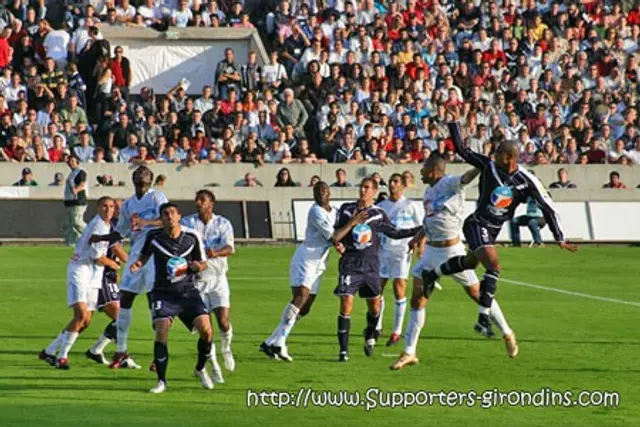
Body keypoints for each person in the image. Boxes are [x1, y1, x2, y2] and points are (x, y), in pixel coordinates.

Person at [421, 108, 577, 341]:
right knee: (493, 266)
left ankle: (433, 274)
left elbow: (547, 205)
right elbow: (463, 150)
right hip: (476, 224)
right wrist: (454, 122)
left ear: (511, 157)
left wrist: (559, 236)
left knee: (469, 262)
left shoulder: (527, 180)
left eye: (500, 154)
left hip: (492, 231)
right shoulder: (488, 166)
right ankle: (483, 319)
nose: (494, 156)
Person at [390, 157, 516, 370]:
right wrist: (418, 237)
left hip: (452, 251)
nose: (420, 171)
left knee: (477, 294)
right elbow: (431, 220)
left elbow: (465, 178)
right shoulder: (429, 192)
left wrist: (482, 165)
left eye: (423, 167)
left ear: (433, 169)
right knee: (418, 299)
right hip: (431, 251)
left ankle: (507, 332)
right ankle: (409, 351)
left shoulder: (448, 182)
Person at [332, 177, 422, 362]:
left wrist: (422, 229)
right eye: (361, 186)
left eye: (367, 188)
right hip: (350, 263)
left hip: (372, 266)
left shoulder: (378, 213)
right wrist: (352, 223)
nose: (363, 190)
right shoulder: (346, 210)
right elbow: (336, 236)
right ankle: (343, 351)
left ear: (374, 191)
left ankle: (370, 335)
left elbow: (395, 233)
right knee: (346, 305)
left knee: (374, 308)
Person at [131, 202, 212, 394]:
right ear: (161, 219)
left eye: (172, 213)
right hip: (163, 292)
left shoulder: (192, 236)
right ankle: (161, 381)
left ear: (178, 216)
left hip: (188, 291)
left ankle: (200, 368)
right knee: (162, 329)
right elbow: (144, 256)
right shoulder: (153, 236)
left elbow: (203, 263)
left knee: (206, 330)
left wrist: (197, 266)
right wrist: (137, 264)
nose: (169, 217)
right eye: (165, 214)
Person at [260, 182, 339, 361]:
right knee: (299, 298)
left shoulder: (333, 212)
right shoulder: (315, 211)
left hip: (319, 262)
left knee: (305, 307)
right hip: (306, 259)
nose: (321, 194)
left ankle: (270, 341)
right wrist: (353, 222)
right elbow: (333, 236)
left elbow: (336, 236)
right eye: (317, 191)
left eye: (323, 191)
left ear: (329, 193)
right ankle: (280, 343)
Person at [39, 197, 120, 369]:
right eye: (104, 206)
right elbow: (97, 257)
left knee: (86, 321)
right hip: (80, 270)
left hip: (93, 275)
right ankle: (62, 356)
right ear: (98, 208)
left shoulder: (105, 226)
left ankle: (49, 351)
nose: (108, 210)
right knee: (81, 315)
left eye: (111, 206)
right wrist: (114, 264)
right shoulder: (98, 225)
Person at [110, 166, 168, 369]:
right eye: (138, 172)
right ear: (133, 178)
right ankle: (121, 351)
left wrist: (146, 222)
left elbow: (167, 221)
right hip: (136, 254)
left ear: (150, 179)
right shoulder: (127, 204)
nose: (141, 174)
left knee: (155, 302)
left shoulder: (157, 197)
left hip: (155, 254)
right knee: (125, 297)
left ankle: (158, 355)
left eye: (145, 172)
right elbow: (121, 231)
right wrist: (103, 239)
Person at [181, 190, 235, 383]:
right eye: (196, 199)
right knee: (207, 330)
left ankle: (226, 349)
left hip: (218, 279)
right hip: (197, 281)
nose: (198, 203)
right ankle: (214, 365)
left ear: (211, 204)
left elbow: (230, 248)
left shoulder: (223, 223)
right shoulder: (187, 223)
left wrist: (216, 252)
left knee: (223, 322)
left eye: (202, 200)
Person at [375, 173, 424, 346]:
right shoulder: (381, 206)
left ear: (402, 185)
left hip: (402, 251)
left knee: (398, 288)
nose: (392, 184)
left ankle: (397, 331)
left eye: (395, 181)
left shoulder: (411, 205)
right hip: (383, 251)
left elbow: (422, 227)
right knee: (377, 288)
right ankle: (377, 326)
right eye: (390, 181)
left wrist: (420, 246)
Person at [85, 200, 128, 364]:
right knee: (120, 317)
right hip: (102, 275)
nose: (114, 210)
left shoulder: (117, 224)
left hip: (109, 274)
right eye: (113, 207)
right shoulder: (112, 225)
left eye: (116, 207)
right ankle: (121, 355)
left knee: (119, 318)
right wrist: (132, 264)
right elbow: (116, 248)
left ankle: (98, 350)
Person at [62, 156, 88, 247]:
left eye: (73, 161)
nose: (71, 162)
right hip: (70, 201)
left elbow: (82, 182)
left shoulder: (80, 172)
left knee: (77, 222)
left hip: (78, 200)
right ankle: (71, 243)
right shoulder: (71, 174)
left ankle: (91, 235)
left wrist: (77, 190)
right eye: (69, 161)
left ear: (77, 162)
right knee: (69, 224)